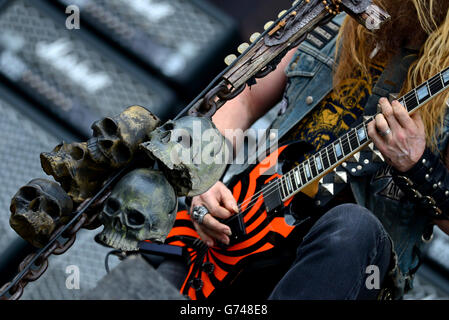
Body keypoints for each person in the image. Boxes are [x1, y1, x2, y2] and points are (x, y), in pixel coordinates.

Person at [159, 0, 449, 299]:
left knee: (354, 226)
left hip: (351, 270)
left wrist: (418, 164)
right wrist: (200, 175)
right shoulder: (331, 16)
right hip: (243, 227)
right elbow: (243, 101)